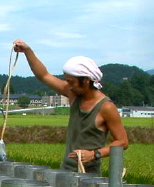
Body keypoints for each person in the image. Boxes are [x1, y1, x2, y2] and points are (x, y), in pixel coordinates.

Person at [13, 40, 128, 174]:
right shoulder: (73, 93)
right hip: (66, 170)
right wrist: (27, 51)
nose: (69, 85)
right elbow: (44, 75)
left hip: (89, 175)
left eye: (71, 82)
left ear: (86, 80)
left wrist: (94, 154)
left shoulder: (106, 107)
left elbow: (122, 142)